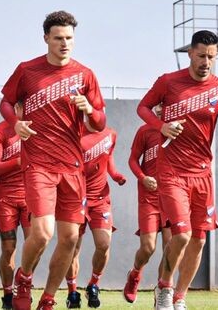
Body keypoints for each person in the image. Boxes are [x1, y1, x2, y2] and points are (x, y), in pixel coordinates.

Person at [0, 10, 107, 310]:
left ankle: (48, 298)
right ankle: (24, 278)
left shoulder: (85, 75)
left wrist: (89, 110)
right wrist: (15, 124)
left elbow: (100, 122)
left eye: (69, 38)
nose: (64, 43)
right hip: (39, 164)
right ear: (46, 38)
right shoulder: (27, 70)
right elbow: (7, 102)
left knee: (70, 239)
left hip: (73, 168)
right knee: (43, 232)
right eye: (58, 38)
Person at [137, 30, 218, 310]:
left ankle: (180, 297)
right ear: (190, 54)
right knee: (181, 234)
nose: (206, 61)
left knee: (198, 240)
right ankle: (164, 289)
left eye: (211, 57)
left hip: (203, 174)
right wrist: (162, 126)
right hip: (171, 171)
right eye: (201, 55)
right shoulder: (169, 82)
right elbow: (143, 108)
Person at [64, 126, 126, 309]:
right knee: (72, 248)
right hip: (76, 198)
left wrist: (115, 175)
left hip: (100, 199)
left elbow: (109, 158)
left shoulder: (110, 134)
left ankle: (94, 285)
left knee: (104, 243)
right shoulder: (75, 134)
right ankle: (72, 292)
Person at [123, 104, 172, 304]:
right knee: (148, 247)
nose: (161, 109)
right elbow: (133, 160)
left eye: (165, 105)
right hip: (149, 196)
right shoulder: (144, 131)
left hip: (171, 196)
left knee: (171, 247)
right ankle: (135, 274)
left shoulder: (178, 129)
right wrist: (143, 177)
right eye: (158, 105)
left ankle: (162, 291)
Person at [0, 102, 30, 310]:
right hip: (6, 197)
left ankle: (23, 284)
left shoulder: (37, 127)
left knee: (35, 244)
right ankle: (7, 295)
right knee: (8, 248)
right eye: (23, 106)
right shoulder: (0, 130)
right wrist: (18, 162)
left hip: (32, 196)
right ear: (16, 108)